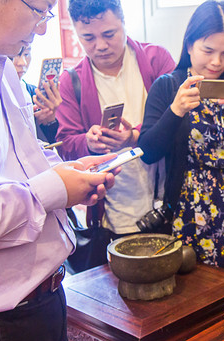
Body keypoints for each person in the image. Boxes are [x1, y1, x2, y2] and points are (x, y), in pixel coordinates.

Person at [0, 0, 118, 341]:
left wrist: (66, 171)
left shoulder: (1, 66)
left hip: (44, 295)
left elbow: (22, 161)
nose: (42, 28)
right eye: (39, 10)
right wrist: (55, 189)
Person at [138, 0, 224, 279]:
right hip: (193, 212)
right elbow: (148, 151)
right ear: (189, 45)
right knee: (199, 292)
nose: (216, 62)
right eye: (208, 50)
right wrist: (175, 110)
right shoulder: (168, 86)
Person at [56, 0, 175, 235]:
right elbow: (66, 146)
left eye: (109, 34)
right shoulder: (71, 82)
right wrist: (88, 142)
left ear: (123, 22)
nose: (100, 45)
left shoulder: (156, 59)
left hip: (168, 197)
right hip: (113, 209)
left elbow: (180, 120)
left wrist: (135, 136)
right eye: (88, 38)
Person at [11, 45, 63, 143]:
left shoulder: (33, 93)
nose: (23, 62)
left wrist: (49, 121)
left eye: (26, 54)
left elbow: (48, 146)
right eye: (14, 56)